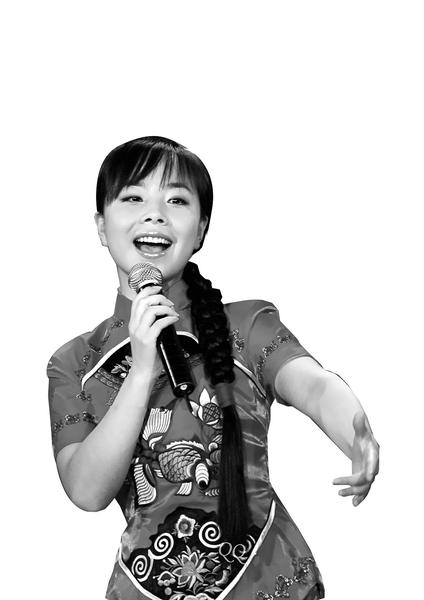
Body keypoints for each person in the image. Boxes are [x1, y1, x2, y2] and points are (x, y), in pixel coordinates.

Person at [47, 135, 380, 600]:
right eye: (134, 197)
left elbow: (313, 385)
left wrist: (355, 431)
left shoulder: (245, 325)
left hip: (271, 582)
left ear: (200, 229)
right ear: (102, 226)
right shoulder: (74, 363)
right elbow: (87, 491)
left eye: (176, 200)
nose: (155, 214)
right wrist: (141, 372)